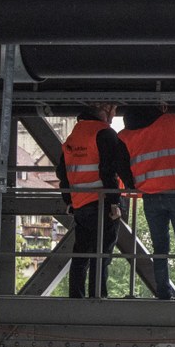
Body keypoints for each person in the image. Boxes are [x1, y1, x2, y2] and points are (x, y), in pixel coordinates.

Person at [118, 102, 175, 300]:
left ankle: (163, 293)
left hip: (150, 195)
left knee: (160, 247)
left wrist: (133, 182)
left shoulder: (124, 135)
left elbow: (121, 166)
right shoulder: (172, 122)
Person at [57, 102, 133, 299]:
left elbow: (62, 171)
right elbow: (109, 170)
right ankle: (98, 296)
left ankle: (76, 295)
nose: (114, 115)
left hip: (80, 202)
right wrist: (115, 201)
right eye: (114, 110)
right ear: (104, 110)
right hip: (103, 203)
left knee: (82, 251)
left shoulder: (75, 135)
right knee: (102, 253)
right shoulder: (104, 133)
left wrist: (69, 199)